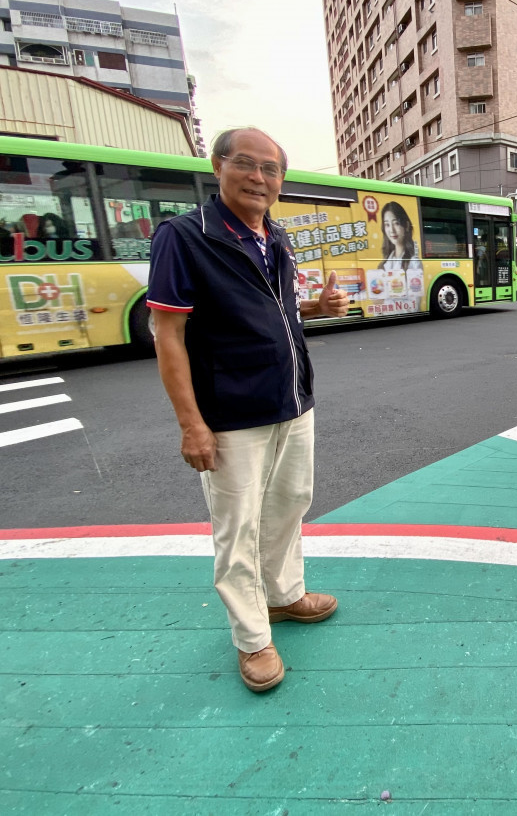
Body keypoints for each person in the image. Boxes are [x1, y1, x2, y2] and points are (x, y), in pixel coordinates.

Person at [147, 127, 350, 693]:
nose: (259, 178)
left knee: (289, 506)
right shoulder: (184, 237)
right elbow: (168, 335)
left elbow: (278, 314)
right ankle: (252, 638)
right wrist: (192, 425)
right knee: (237, 530)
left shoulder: (275, 238)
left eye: (271, 169)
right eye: (246, 164)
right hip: (230, 417)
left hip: (292, 403)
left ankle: (284, 597)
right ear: (218, 166)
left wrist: (316, 305)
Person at [378, 202, 421, 271]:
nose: (392, 230)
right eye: (387, 225)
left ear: (406, 226)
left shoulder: (414, 262)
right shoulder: (385, 263)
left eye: (396, 223)